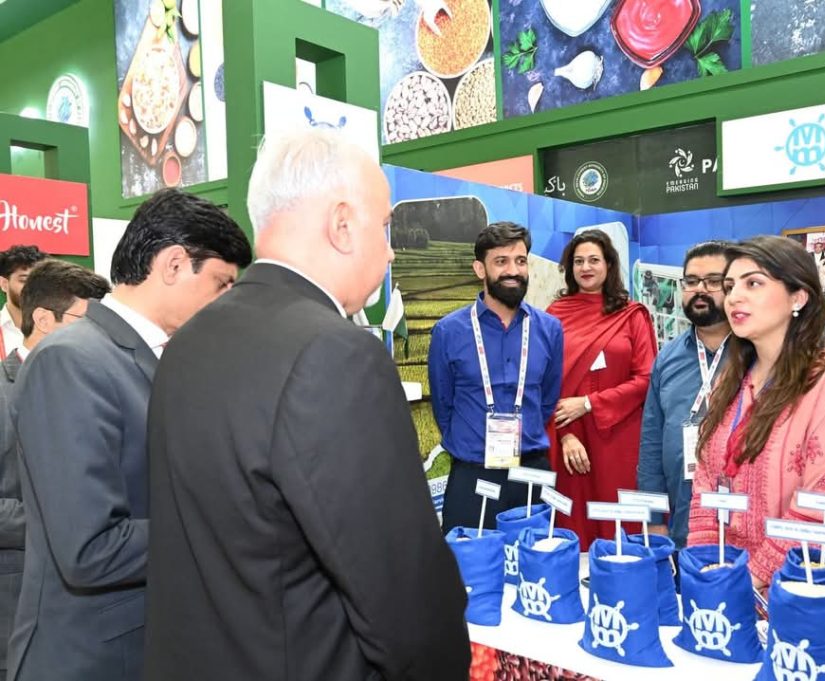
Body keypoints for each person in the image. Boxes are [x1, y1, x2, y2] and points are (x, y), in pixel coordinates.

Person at [144, 129, 470, 681]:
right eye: (384, 226)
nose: (391, 250)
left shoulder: (188, 340)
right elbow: (402, 594)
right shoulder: (334, 354)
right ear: (342, 224)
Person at [8, 189, 252, 681]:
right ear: (174, 264)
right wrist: (228, 523)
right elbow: (89, 548)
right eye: (222, 283)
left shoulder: (159, 357)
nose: (228, 301)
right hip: (93, 658)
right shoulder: (72, 361)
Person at [687, 236, 825, 628]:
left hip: (806, 600)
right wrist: (706, 566)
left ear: (798, 297)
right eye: (730, 286)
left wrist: (746, 581)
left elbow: (823, 506)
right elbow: (707, 480)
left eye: (753, 283)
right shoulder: (731, 381)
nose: (734, 297)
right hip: (730, 589)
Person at [0, 260, 110, 677]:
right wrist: (66, 525)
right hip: (15, 610)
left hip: (95, 620)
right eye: (88, 321)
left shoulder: (103, 387)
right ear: (44, 320)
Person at [429, 222, 563, 533]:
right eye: (501, 261)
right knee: (470, 562)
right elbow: (443, 406)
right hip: (473, 474)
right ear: (480, 269)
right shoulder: (448, 331)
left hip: (531, 473)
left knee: (535, 562)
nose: (513, 271)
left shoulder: (549, 329)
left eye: (520, 260)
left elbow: (547, 400)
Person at [545, 230, 655, 549]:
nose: (586, 267)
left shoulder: (632, 315)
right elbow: (544, 382)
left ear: (608, 264)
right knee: (574, 529)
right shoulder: (554, 315)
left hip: (619, 439)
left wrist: (590, 403)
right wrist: (565, 435)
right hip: (571, 438)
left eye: (594, 260)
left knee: (622, 534)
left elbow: (646, 378)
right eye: (578, 261)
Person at [638, 241, 732, 549]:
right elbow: (651, 445)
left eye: (713, 281)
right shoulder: (667, 358)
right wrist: (653, 519)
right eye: (691, 281)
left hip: (744, 530)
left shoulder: (759, 355)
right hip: (683, 524)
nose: (700, 289)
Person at [0, 247, 47, 359]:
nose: (32, 288)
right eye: (24, 281)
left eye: (38, 282)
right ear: (4, 284)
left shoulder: (57, 329)